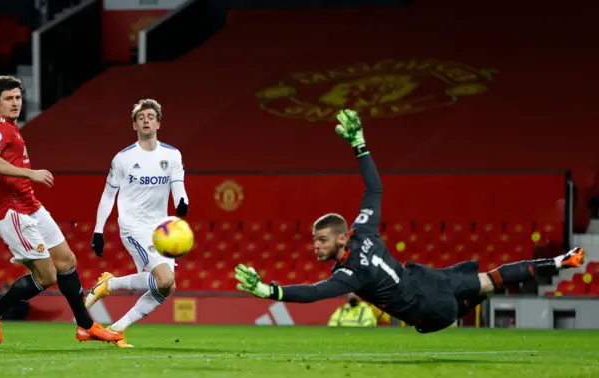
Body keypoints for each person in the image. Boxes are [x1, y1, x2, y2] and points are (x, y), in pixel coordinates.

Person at [234, 109, 585, 334]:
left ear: (341, 240)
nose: (315, 246)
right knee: (489, 280)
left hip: (427, 307)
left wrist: (270, 290)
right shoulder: (364, 230)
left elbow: (313, 293)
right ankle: (557, 261)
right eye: (314, 239)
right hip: (427, 279)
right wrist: (359, 143)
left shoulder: (350, 273)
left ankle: (552, 263)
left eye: (321, 240)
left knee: (484, 288)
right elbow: (374, 188)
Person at [0, 75, 122, 344]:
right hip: (14, 212)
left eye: (18, 97)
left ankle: (85, 325)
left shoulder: (13, 128)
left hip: (32, 206)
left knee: (67, 261)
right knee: (47, 275)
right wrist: (29, 173)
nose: (15, 103)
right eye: (8, 99)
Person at [85, 98, 189, 348]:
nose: (146, 120)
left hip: (161, 228)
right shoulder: (123, 158)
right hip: (133, 225)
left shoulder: (172, 155)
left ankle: (116, 326)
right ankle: (109, 285)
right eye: (141, 117)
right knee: (163, 280)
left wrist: (183, 203)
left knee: (167, 287)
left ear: (158, 123)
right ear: (134, 125)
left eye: (150, 116)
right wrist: (98, 230)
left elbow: (179, 187)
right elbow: (108, 195)